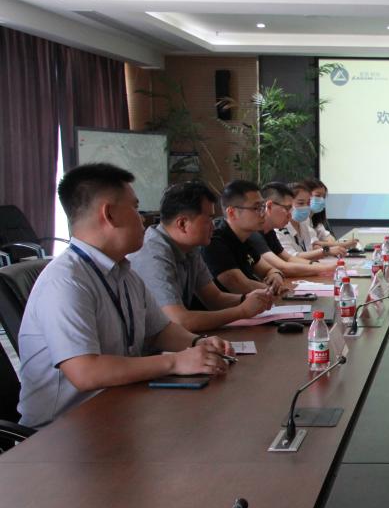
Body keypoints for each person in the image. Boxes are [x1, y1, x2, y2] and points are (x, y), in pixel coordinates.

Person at [17, 164, 233, 428]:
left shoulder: (124, 272)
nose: (143, 220)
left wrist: (199, 342)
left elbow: (159, 331)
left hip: (118, 409)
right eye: (135, 208)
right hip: (61, 430)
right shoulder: (65, 281)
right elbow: (86, 372)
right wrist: (175, 362)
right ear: (109, 214)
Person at [128, 181, 274, 332]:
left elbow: (214, 298)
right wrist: (241, 311)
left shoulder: (189, 248)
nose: (213, 225)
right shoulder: (153, 256)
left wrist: (247, 299)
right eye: (208, 219)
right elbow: (180, 321)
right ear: (182, 224)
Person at [201, 179, 286, 294]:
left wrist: (276, 274)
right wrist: (273, 288)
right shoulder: (214, 240)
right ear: (232, 212)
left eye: (263, 206)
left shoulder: (246, 237)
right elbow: (239, 285)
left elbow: (268, 269)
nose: (264, 213)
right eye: (256, 208)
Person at [250, 182, 337, 279]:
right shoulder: (253, 234)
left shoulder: (269, 232)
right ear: (269, 206)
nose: (290, 214)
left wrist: (322, 266)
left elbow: (290, 259)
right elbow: (283, 267)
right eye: (287, 208)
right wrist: (325, 268)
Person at [275, 181, 346, 260]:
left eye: (308, 203)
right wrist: (326, 251)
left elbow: (311, 248)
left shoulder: (304, 222)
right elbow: (291, 257)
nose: (306, 207)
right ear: (287, 204)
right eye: (301, 203)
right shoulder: (278, 228)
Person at [304, 178, 358, 251]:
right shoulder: (302, 220)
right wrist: (343, 244)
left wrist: (331, 244)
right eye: (318, 195)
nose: (321, 200)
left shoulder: (314, 218)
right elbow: (314, 244)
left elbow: (327, 237)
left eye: (323, 197)